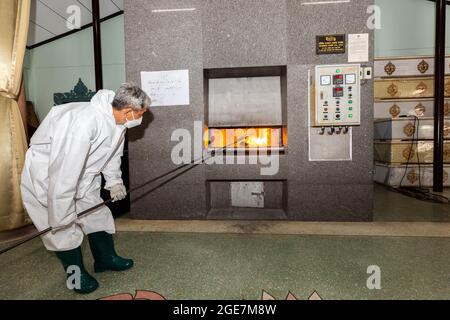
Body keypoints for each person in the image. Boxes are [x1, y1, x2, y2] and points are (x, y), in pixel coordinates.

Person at [20, 83, 151, 294]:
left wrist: (114, 182)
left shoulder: (117, 122)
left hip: (84, 175)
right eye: (141, 114)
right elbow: (64, 172)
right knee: (62, 230)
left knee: (97, 214)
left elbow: (111, 155)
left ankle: (105, 259)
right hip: (49, 178)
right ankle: (75, 276)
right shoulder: (82, 123)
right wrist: (61, 211)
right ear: (128, 111)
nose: (141, 119)